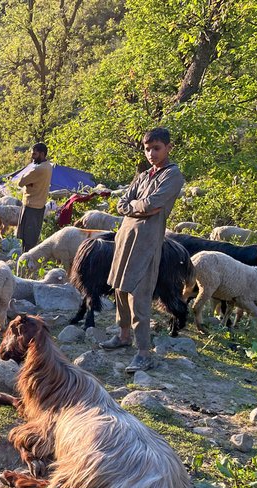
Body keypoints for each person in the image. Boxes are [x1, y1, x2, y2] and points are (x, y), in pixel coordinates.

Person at [100, 127, 184, 373]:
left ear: (168, 148)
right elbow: (122, 203)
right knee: (119, 286)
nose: (151, 153)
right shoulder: (144, 175)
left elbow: (153, 204)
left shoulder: (173, 176)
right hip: (125, 237)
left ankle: (144, 351)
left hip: (146, 242)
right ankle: (123, 334)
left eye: (156, 148)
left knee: (140, 293)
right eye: (147, 149)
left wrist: (135, 206)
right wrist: (138, 207)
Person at [15, 142, 53, 252]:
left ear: (42, 154)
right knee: (33, 236)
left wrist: (28, 182)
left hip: (31, 205)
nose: (32, 157)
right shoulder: (49, 166)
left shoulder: (37, 169)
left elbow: (20, 182)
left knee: (27, 238)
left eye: (34, 154)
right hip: (40, 205)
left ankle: (26, 261)